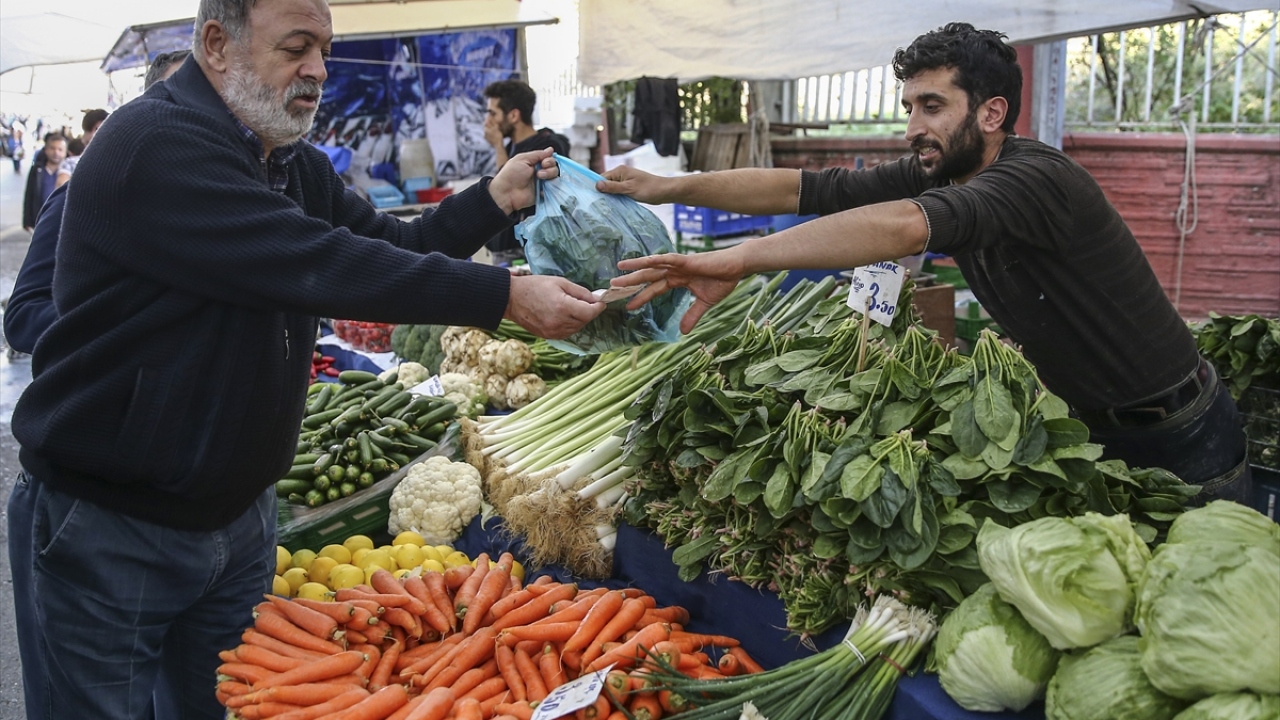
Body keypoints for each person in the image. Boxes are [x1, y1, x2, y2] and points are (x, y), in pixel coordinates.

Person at [7, 0, 603, 717]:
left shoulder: (286, 159)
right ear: (217, 44)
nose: (318, 70)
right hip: (114, 522)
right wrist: (502, 294)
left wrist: (493, 198)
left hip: (239, 519)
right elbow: (314, 260)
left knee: (230, 707)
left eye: (324, 49)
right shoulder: (155, 143)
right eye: (295, 48)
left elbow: (395, 246)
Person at [601, 22, 1250, 505]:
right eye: (909, 106)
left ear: (991, 112)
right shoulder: (944, 167)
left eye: (932, 106)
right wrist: (670, 187)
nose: (913, 126)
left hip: (1180, 434)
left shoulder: (1035, 180)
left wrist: (737, 259)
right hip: (1090, 428)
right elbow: (804, 189)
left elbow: (907, 225)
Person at [483, 79, 570, 253]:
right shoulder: (510, 148)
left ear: (513, 116)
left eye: (493, 114)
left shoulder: (545, 148)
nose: (487, 122)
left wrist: (498, 147)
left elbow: (508, 187)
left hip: (532, 253)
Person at [20, 133, 65, 231]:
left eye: (60, 149)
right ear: (46, 150)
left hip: (61, 221)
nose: (56, 152)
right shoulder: (37, 170)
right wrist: (27, 221)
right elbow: (29, 195)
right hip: (40, 220)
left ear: (65, 152)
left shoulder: (68, 172)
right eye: (52, 148)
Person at [54, 108, 108, 188]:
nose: (93, 135)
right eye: (89, 130)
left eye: (99, 130)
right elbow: (61, 186)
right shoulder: (71, 163)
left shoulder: (114, 164)